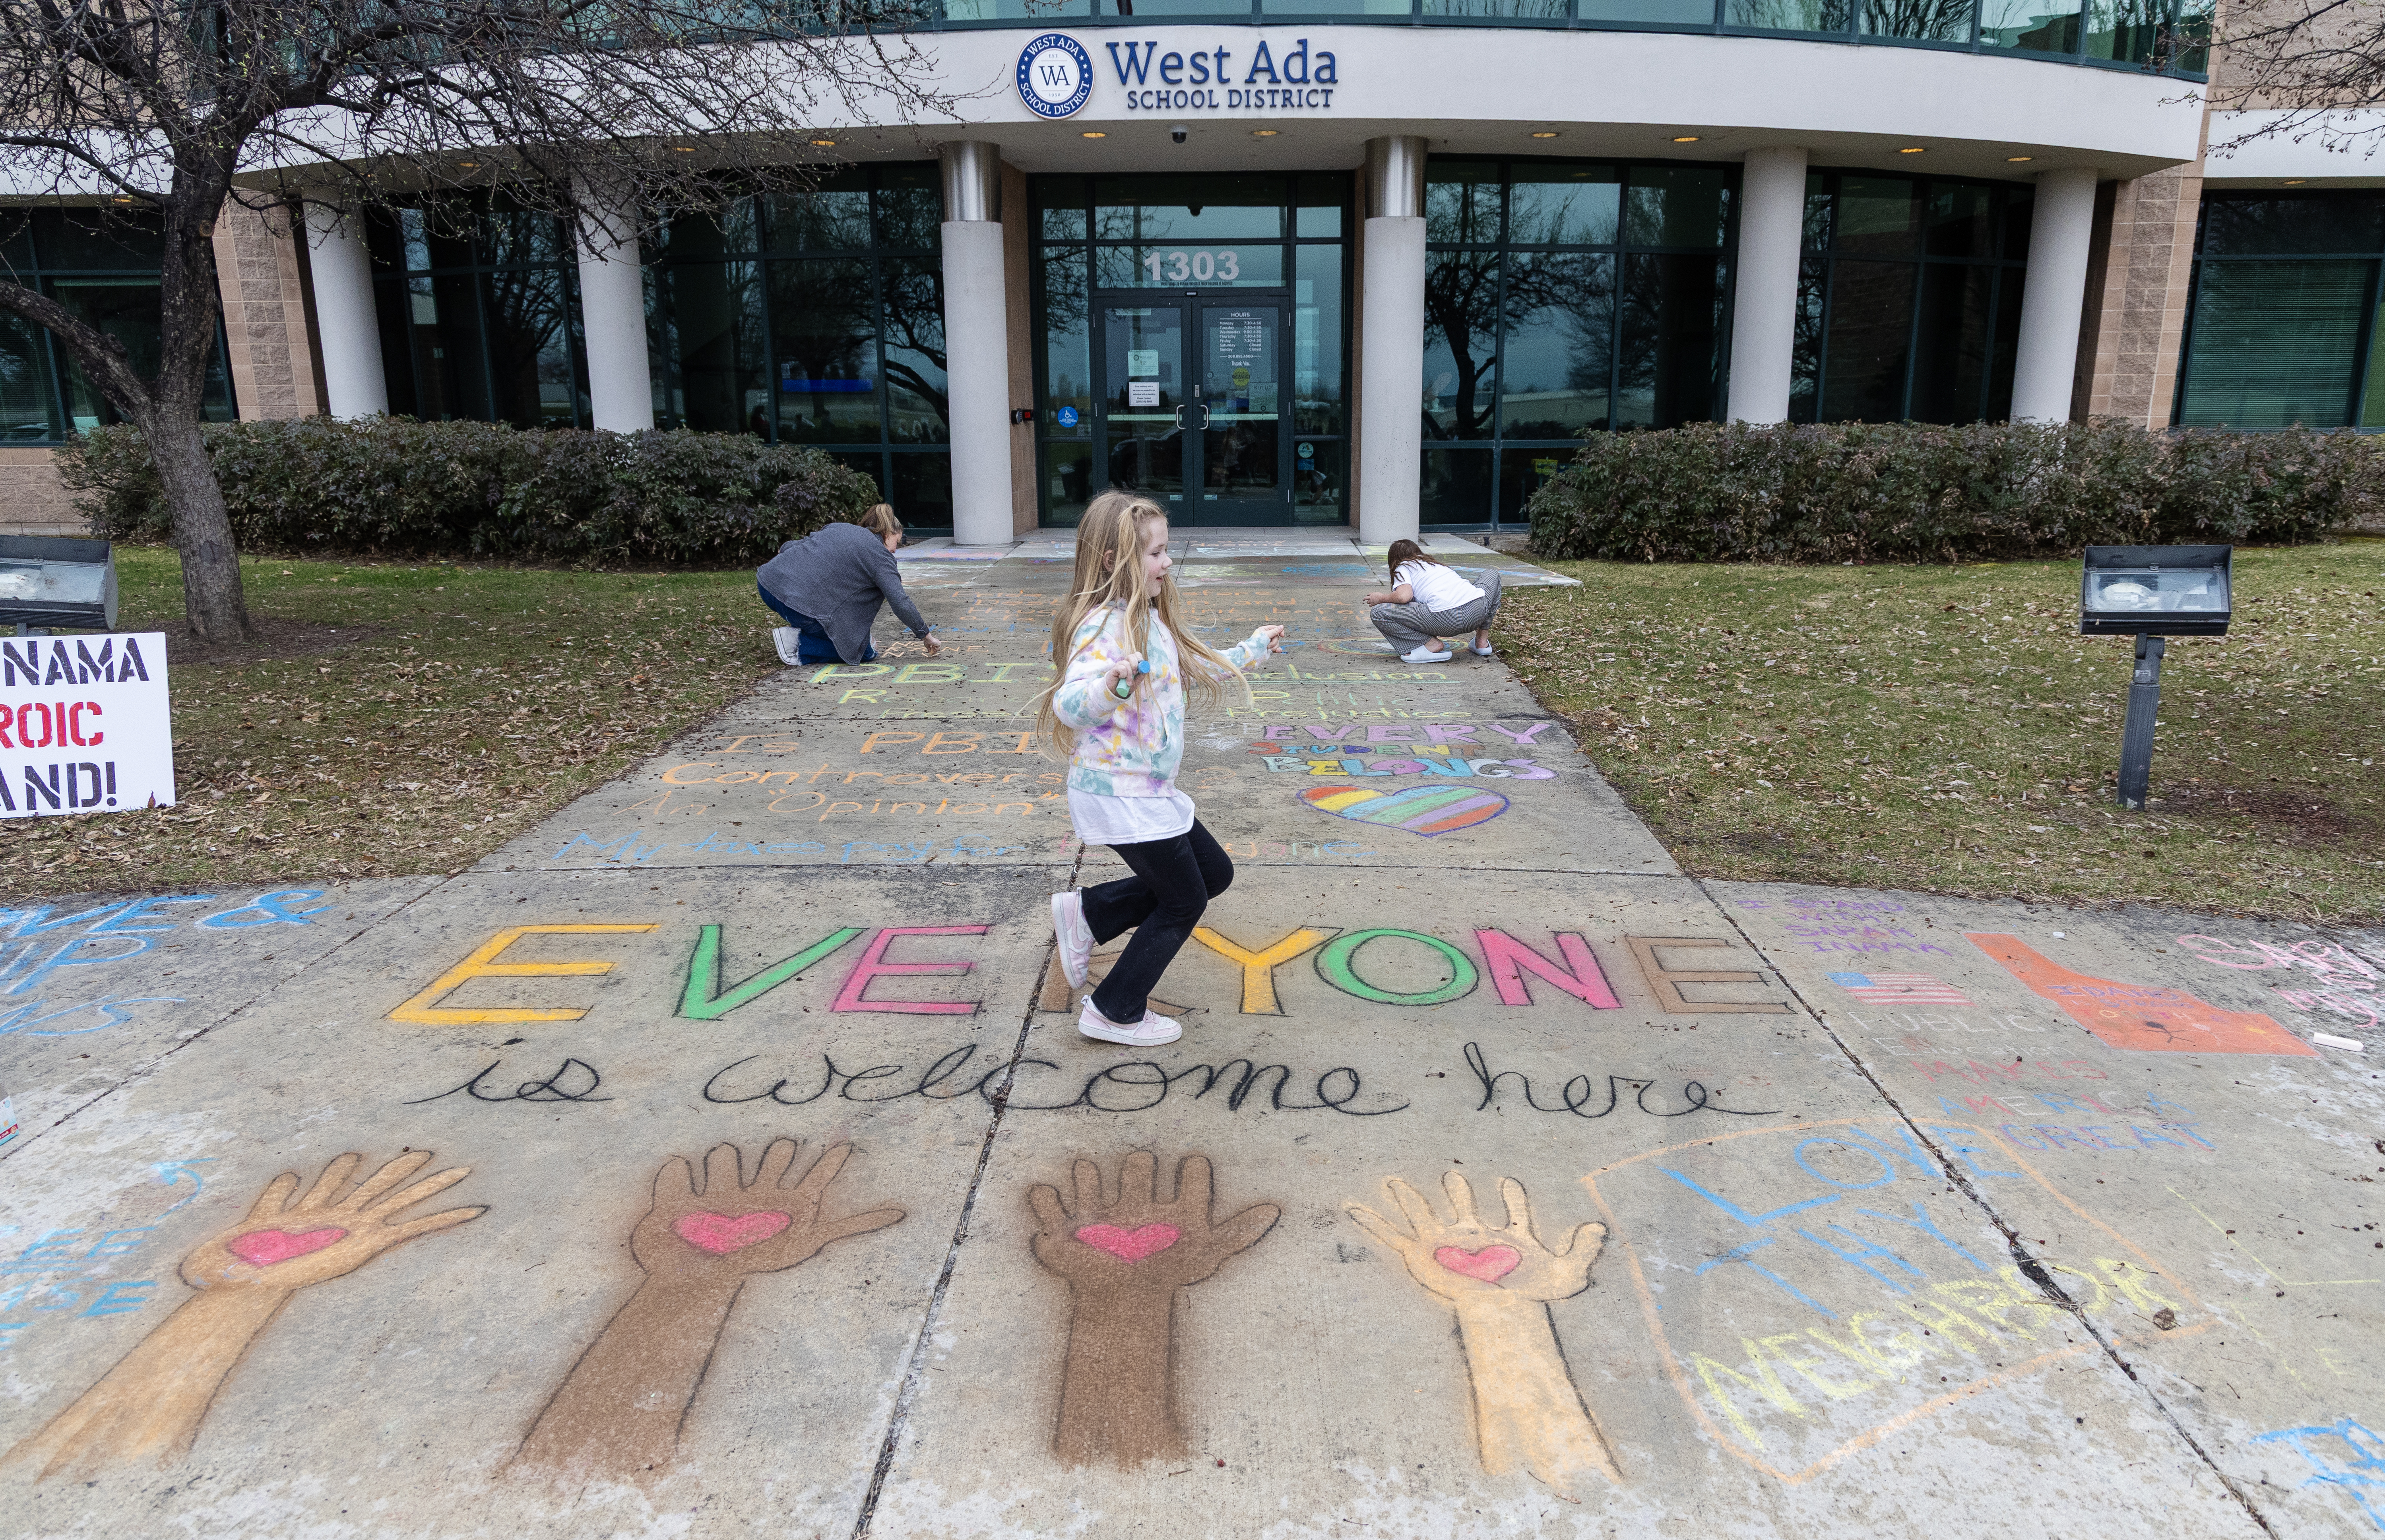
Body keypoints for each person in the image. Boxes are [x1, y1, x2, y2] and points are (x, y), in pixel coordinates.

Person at [1040, 491, 1287, 1048]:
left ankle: (1091, 913)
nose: (1168, 562)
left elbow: (1190, 665)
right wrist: (1110, 686)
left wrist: (1252, 649)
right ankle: (1115, 1007)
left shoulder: (1146, 619)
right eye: (1157, 552)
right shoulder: (1103, 627)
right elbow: (1070, 704)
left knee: (1213, 874)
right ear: (1114, 560)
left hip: (1147, 791)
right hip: (1120, 792)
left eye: (1166, 550)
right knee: (1183, 899)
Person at [756, 504, 940, 667]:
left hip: (767, 584)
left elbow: (788, 547)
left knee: (857, 638)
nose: (895, 550)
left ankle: (804, 628)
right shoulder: (880, 557)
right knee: (865, 651)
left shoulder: (839, 528)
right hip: (796, 603)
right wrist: (925, 635)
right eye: (897, 543)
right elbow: (900, 601)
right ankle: (797, 645)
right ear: (886, 533)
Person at [1363, 538, 1502, 663]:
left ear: (1394, 561)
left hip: (1447, 620)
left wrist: (1381, 598)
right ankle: (1481, 642)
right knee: (1492, 574)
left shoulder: (1403, 566)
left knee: (1378, 613)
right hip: (1477, 611)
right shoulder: (1435, 565)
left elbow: (1404, 596)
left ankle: (1429, 644)